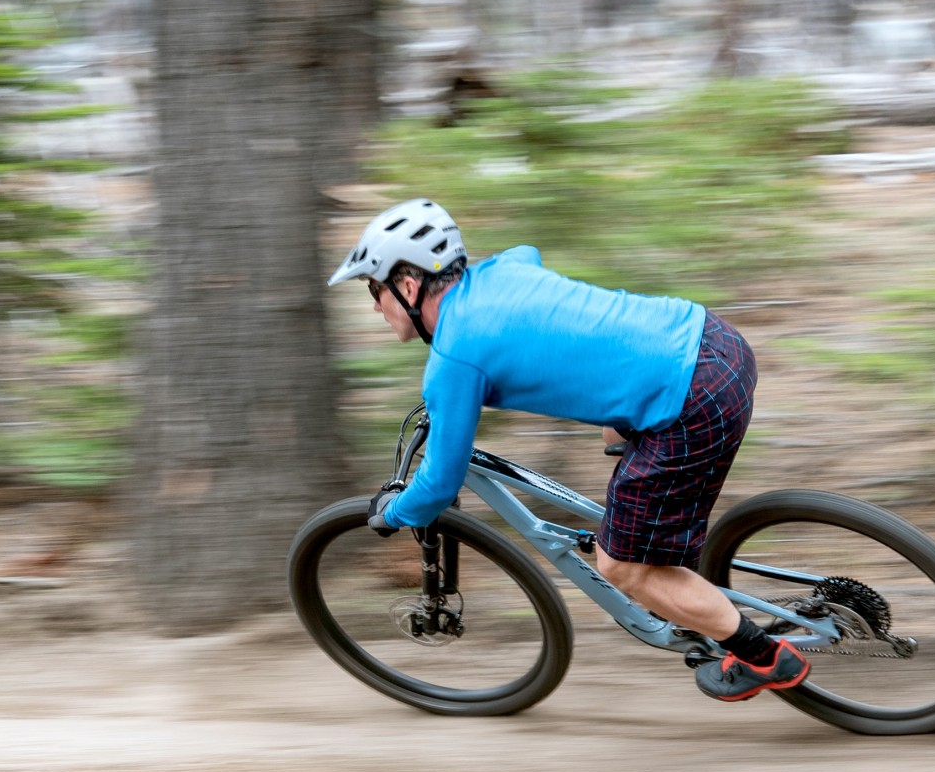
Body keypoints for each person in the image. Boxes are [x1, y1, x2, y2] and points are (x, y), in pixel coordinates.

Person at [327, 198, 809, 702]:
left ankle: (764, 656)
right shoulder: (502, 270)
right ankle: (672, 569)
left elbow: (439, 484)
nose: (374, 305)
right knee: (615, 436)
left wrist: (392, 513)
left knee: (621, 567)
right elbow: (527, 252)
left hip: (693, 400)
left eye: (374, 289)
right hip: (714, 339)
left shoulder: (454, 358)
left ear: (408, 287)